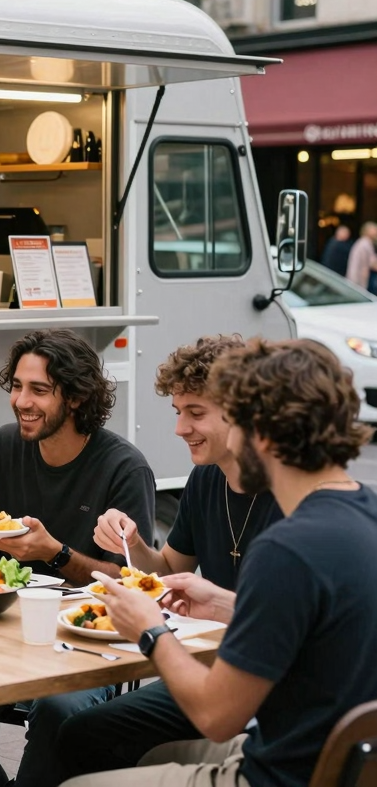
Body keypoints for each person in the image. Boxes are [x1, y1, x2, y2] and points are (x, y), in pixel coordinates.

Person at [62, 337, 377, 787]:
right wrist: (229, 604)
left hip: (277, 772)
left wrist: (151, 631)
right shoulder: (365, 511)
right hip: (333, 760)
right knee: (104, 738)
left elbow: (216, 716)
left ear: (261, 432)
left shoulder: (287, 548)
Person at [0, 328, 156, 787]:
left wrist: (55, 553)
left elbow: (127, 582)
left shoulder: (123, 467)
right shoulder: (6, 445)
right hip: (4, 623)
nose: (22, 401)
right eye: (17, 386)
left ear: (77, 397)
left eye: (39, 390)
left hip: (88, 639)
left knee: (59, 705)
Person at [38, 335, 282, 786]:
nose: (180, 429)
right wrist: (133, 540)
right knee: (78, 732)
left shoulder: (288, 495)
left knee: (86, 735)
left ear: (241, 412)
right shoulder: (206, 479)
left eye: (195, 413)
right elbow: (165, 570)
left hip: (253, 688)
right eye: (177, 412)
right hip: (212, 669)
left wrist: (154, 628)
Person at [345, 220, 377, 292]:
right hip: (358, 281)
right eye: (374, 229)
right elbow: (372, 263)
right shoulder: (365, 243)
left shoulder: (362, 242)